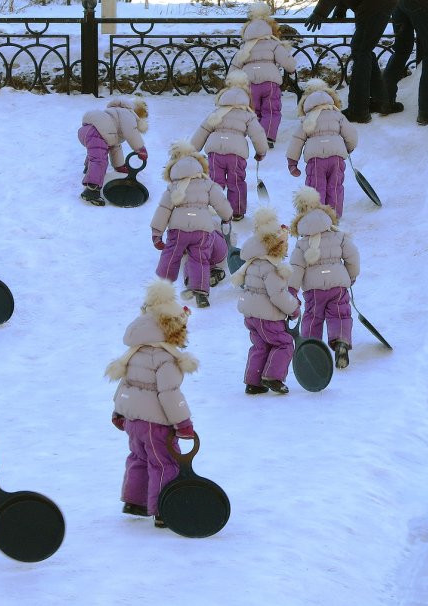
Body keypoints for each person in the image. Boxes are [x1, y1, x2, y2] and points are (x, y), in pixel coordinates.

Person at [106, 279, 197, 529]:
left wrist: (118, 411)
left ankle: (135, 501)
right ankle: (162, 508)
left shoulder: (135, 352)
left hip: (133, 421)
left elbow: (126, 385)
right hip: (156, 424)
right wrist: (183, 423)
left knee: (139, 457)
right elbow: (169, 393)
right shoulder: (165, 357)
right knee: (164, 462)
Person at [150, 141, 233, 308]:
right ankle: (201, 292)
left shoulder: (173, 186)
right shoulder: (207, 184)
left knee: (171, 254)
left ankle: (163, 285)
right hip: (202, 228)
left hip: (178, 229)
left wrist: (157, 233)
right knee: (200, 257)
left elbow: (164, 209)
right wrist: (227, 217)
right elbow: (221, 203)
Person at [288, 186, 360, 369]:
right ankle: (341, 341)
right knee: (340, 314)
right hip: (338, 286)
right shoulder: (339, 235)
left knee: (313, 317)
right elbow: (353, 256)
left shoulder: (302, 244)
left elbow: (296, 268)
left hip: (314, 290)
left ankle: (312, 349)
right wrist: (351, 276)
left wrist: (292, 290)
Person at [232, 208, 300, 395]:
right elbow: (277, 295)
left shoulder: (253, 262)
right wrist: (294, 308)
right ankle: (272, 377)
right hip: (267, 317)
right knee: (284, 343)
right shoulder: (271, 266)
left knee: (260, 345)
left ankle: (253, 382)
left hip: (251, 315)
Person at [190, 70, 268, 222]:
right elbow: (257, 134)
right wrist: (261, 151)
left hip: (215, 152)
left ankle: (214, 209)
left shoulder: (217, 112)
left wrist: (193, 149)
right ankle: (237, 211)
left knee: (215, 182)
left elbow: (203, 129)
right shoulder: (248, 114)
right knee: (236, 182)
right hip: (236, 155)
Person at [285, 78, 358, 218]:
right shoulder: (337, 115)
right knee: (335, 187)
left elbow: (297, 140)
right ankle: (334, 217)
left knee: (316, 188)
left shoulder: (307, 119)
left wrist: (292, 162)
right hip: (336, 159)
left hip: (316, 160)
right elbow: (351, 134)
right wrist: (348, 148)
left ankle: (317, 217)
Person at [229, 2, 297, 146]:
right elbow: (286, 60)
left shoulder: (245, 46)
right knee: (272, 110)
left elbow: (235, 64)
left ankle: (256, 136)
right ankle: (268, 136)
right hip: (270, 83)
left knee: (254, 111)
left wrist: (230, 82)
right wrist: (291, 69)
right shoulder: (273, 43)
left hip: (249, 83)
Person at [77, 96, 149, 206]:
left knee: (97, 153)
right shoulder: (128, 114)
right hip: (95, 132)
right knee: (100, 160)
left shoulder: (114, 113)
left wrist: (119, 166)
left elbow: (115, 145)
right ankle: (91, 190)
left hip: (87, 131)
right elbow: (131, 132)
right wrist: (140, 149)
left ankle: (88, 168)